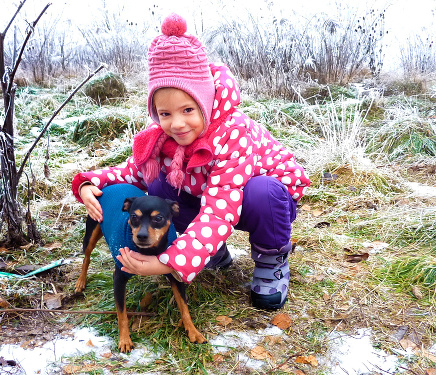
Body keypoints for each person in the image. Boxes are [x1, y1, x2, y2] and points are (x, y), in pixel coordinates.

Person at [72, 13, 310, 310]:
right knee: (159, 182)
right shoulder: (162, 138)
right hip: (212, 197)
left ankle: (271, 261)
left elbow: (220, 210)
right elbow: (133, 172)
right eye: (165, 114)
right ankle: (214, 253)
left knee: (263, 191)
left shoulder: (232, 132)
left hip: (258, 201)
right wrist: (88, 183)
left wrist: (169, 263)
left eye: (187, 110)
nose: (177, 124)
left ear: (205, 102)